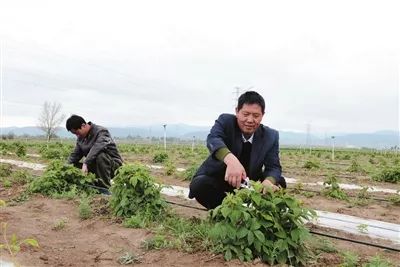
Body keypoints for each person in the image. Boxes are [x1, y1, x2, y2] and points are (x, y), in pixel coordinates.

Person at [189, 91, 286, 209]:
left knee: (279, 182)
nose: (250, 120)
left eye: (256, 116)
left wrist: (268, 182)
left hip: (249, 184)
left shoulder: (270, 136)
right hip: (220, 180)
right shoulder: (226, 121)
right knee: (200, 185)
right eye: (245, 114)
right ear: (237, 112)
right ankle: (223, 213)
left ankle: (253, 213)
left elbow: (274, 167)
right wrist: (231, 160)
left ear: (262, 115)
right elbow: (213, 138)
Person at [66, 115, 123, 188]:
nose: (77, 136)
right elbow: (75, 155)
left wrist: (85, 163)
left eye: (77, 133)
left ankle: (104, 186)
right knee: (72, 165)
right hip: (95, 166)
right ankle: (88, 183)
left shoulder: (101, 131)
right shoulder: (81, 138)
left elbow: (98, 147)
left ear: (83, 125)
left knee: (100, 155)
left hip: (113, 167)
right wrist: (64, 167)